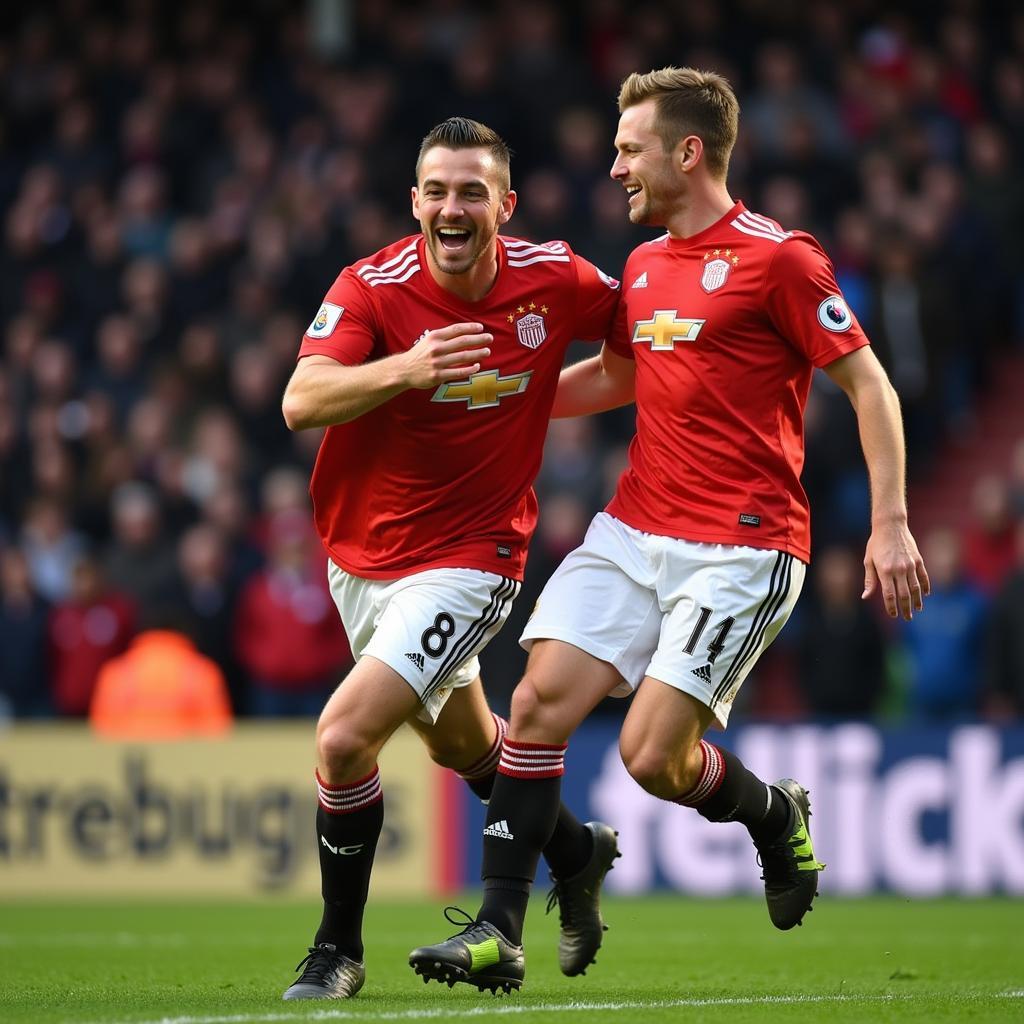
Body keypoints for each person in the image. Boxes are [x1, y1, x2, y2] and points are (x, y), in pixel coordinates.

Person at [411, 67, 930, 992]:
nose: (613, 165)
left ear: (687, 153)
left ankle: (772, 814)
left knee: (651, 758)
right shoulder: (643, 266)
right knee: (532, 706)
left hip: (743, 544)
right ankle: (498, 929)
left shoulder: (781, 259)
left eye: (628, 147)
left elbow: (870, 386)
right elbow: (617, 376)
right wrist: (494, 401)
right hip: (637, 525)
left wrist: (890, 523)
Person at [278, 117, 622, 1000]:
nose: (452, 206)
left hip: (475, 554)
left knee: (345, 737)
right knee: (466, 749)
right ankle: (577, 855)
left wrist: (538, 399)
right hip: (362, 559)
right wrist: (408, 368)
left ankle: (336, 950)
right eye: (436, 190)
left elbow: (633, 350)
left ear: (505, 206)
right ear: (415, 204)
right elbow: (301, 400)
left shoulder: (555, 278)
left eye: (472, 191)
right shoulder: (372, 288)